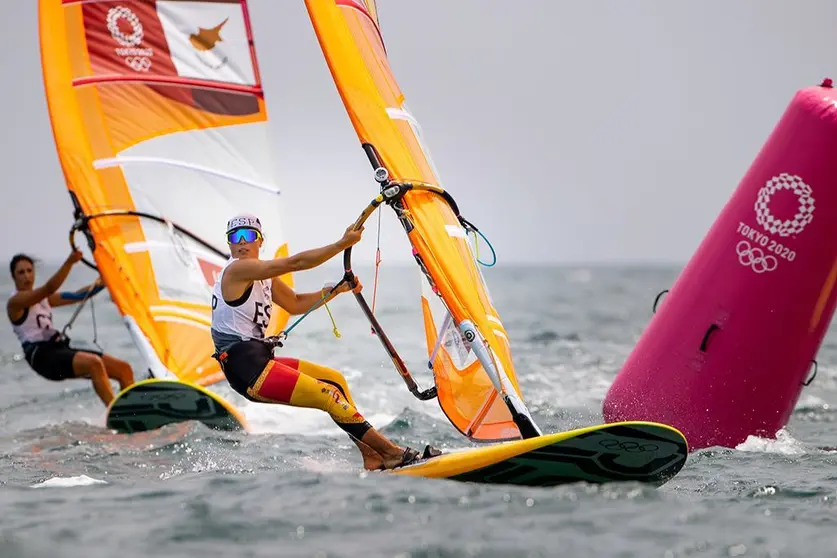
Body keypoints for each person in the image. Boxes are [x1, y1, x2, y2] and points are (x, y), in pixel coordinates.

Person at [211, 214, 440, 470]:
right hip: (246, 370)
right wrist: (341, 244)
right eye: (235, 237)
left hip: (260, 362)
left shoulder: (264, 276)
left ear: (260, 241)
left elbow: (295, 304)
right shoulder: (237, 270)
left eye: (249, 235)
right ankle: (391, 452)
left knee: (335, 381)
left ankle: (372, 456)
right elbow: (296, 262)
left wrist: (334, 291)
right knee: (328, 395)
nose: (242, 242)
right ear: (228, 244)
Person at [7, 251, 135, 406]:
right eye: (21, 272)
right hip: (41, 357)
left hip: (58, 350)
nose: (27, 276)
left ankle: (132, 411)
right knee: (94, 363)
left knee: (124, 369)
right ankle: (115, 413)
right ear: (14, 277)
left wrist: (104, 280)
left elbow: (79, 296)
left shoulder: (44, 300)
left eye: (29, 271)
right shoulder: (15, 303)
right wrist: (69, 262)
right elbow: (49, 288)